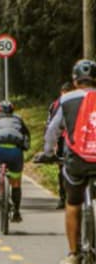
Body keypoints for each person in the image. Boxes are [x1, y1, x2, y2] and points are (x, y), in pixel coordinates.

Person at [41, 59, 96, 264]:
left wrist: (47, 153)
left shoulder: (66, 100)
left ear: (75, 81)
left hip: (78, 161)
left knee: (73, 203)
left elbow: (53, 131)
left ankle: (73, 254)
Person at [45, 82, 75, 210]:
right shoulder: (56, 105)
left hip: (70, 138)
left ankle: (66, 198)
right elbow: (51, 124)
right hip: (63, 138)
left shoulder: (66, 103)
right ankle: (63, 197)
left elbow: (50, 125)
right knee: (62, 168)